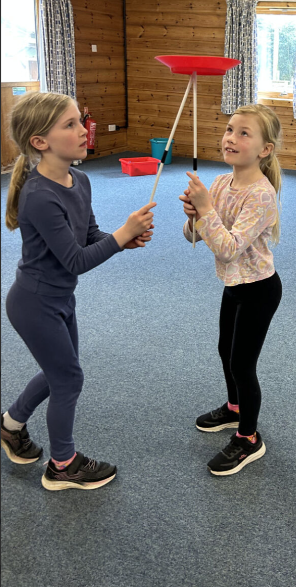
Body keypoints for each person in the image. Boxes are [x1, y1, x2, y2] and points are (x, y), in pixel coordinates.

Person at [1, 92, 155, 491]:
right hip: (34, 303)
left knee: (61, 372)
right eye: (70, 125)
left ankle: (10, 425)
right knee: (68, 379)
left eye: (80, 121)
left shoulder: (79, 179)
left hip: (58, 299)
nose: (84, 130)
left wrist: (122, 240)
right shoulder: (39, 195)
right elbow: (75, 261)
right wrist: (121, 235)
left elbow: (88, 236)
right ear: (40, 142)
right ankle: (63, 466)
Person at [180, 103, 283, 476]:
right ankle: (234, 408)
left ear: (264, 149)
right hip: (234, 284)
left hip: (259, 288)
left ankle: (248, 437)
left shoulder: (261, 195)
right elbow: (196, 237)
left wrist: (206, 211)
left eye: (244, 133)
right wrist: (194, 217)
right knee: (225, 350)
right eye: (229, 129)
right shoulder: (222, 183)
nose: (231, 138)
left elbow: (228, 248)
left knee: (242, 363)